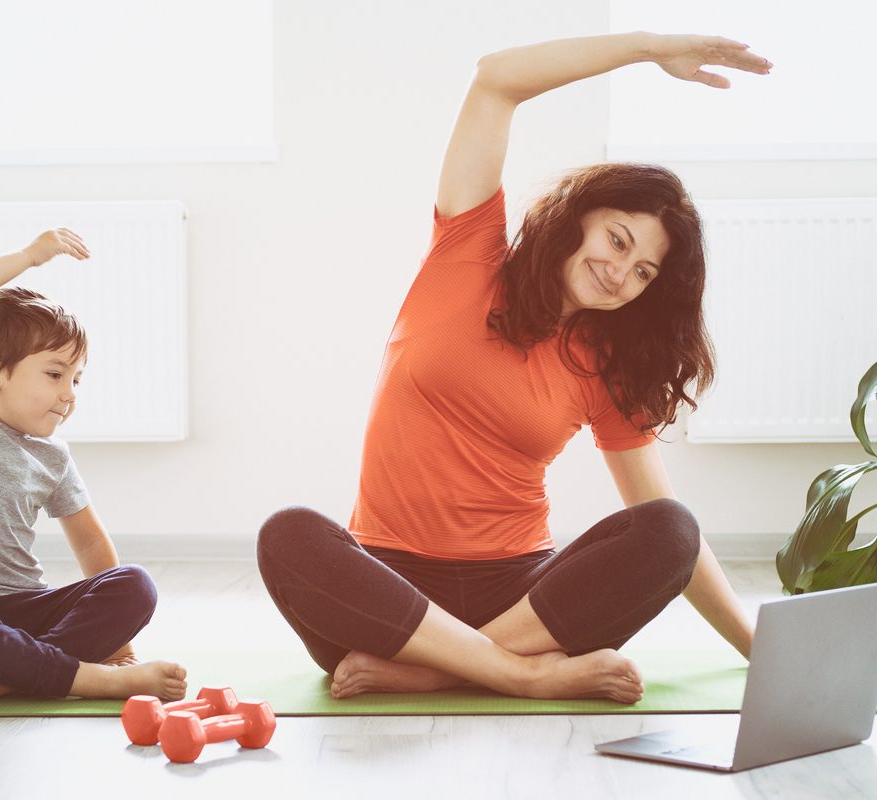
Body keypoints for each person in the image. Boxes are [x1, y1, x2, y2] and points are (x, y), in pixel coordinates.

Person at [257, 32, 772, 703]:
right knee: (289, 534)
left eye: (644, 271)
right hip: (391, 591)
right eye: (618, 239)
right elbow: (496, 80)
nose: (619, 271)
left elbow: (661, 521)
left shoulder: (607, 363)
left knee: (671, 529)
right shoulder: (467, 250)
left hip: (523, 597)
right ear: (580, 219)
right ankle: (517, 674)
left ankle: (440, 670)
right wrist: (647, 50)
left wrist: (757, 645)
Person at [0, 228, 187, 708]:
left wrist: (121, 643)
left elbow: (90, 542)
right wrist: (30, 256)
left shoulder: (53, 458)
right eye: (54, 374)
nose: (69, 393)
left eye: (75, 379)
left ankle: (11, 680)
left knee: (135, 585)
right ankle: (92, 681)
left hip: (28, 615)